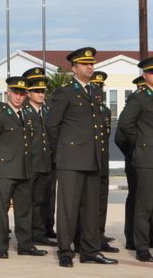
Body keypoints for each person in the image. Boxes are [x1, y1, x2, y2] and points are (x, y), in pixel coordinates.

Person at [45, 47, 117, 268]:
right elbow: (51, 125)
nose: (90, 67)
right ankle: (65, 251)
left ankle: (90, 250)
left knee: (91, 209)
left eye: (92, 64)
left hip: (93, 159)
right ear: (74, 68)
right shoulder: (64, 92)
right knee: (68, 208)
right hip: (71, 159)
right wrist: (65, 151)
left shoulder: (94, 91)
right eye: (85, 64)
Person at [0, 76, 47, 259]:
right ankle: (1, 246)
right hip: (4, 170)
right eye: (15, 93)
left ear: (26, 95)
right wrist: (3, 160)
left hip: (25, 169)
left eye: (22, 94)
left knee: (24, 210)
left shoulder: (29, 115)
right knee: (1, 210)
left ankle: (25, 244)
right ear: (9, 93)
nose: (18, 97)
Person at [117, 57, 153, 262]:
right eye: (152, 72)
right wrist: (139, 146)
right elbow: (124, 125)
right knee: (144, 204)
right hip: (146, 159)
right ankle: (141, 247)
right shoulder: (139, 97)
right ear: (144, 75)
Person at [21, 75, 57, 247]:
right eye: (37, 91)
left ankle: (39, 232)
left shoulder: (48, 110)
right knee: (27, 201)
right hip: (29, 163)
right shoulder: (24, 111)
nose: (41, 94)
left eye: (43, 91)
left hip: (46, 162)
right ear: (28, 93)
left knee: (43, 200)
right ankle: (26, 233)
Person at [89, 71, 119, 253]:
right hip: (88, 162)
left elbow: (105, 137)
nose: (99, 90)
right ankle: (84, 237)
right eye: (95, 86)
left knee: (101, 201)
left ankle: (99, 236)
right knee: (88, 204)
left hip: (102, 162)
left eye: (101, 87)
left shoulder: (106, 112)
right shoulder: (84, 110)